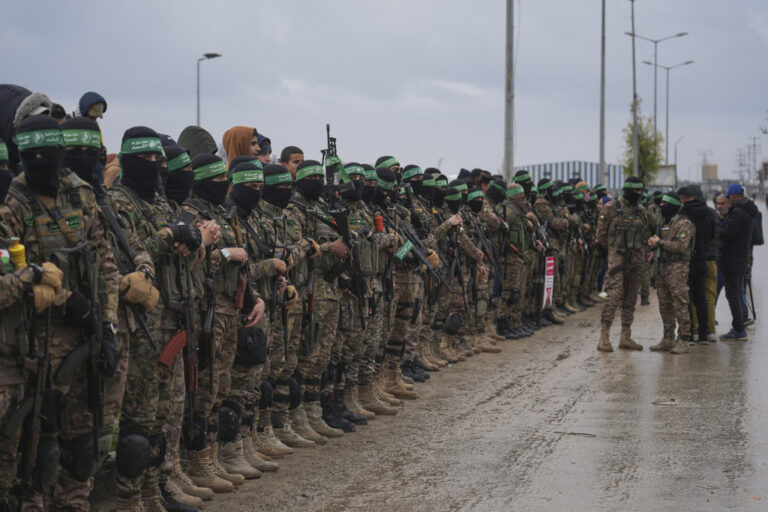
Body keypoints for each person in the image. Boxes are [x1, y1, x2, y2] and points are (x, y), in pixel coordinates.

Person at [595, 176, 650, 352]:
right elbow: (601, 235)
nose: (639, 194)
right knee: (614, 296)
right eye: (636, 191)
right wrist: (612, 251)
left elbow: (644, 234)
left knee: (631, 298)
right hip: (617, 258)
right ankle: (604, 337)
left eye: (641, 191)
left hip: (637, 259)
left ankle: (625, 336)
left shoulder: (641, 210)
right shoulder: (611, 208)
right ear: (627, 190)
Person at [648, 193, 695, 354]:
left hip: (678, 268)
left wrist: (660, 242)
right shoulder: (663, 222)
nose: (661, 206)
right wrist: (654, 244)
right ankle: (668, 338)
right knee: (665, 305)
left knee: (680, 304)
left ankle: (683, 340)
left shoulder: (684, 224)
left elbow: (681, 246)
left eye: (664, 204)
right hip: (663, 267)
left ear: (673, 206)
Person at [718, 184, 757, 341]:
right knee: (736, 293)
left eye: (728, 197)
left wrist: (719, 227)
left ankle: (738, 329)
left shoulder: (738, 212)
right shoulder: (747, 211)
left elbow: (728, 234)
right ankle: (739, 326)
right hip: (740, 258)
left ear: (735, 196)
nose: (727, 199)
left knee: (733, 295)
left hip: (732, 260)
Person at [678, 186, 715, 345]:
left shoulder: (682, 213)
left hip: (686, 260)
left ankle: (690, 333)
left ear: (684, 198)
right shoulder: (709, 212)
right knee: (702, 298)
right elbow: (714, 233)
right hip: (702, 258)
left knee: (686, 298)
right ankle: (704, 335)